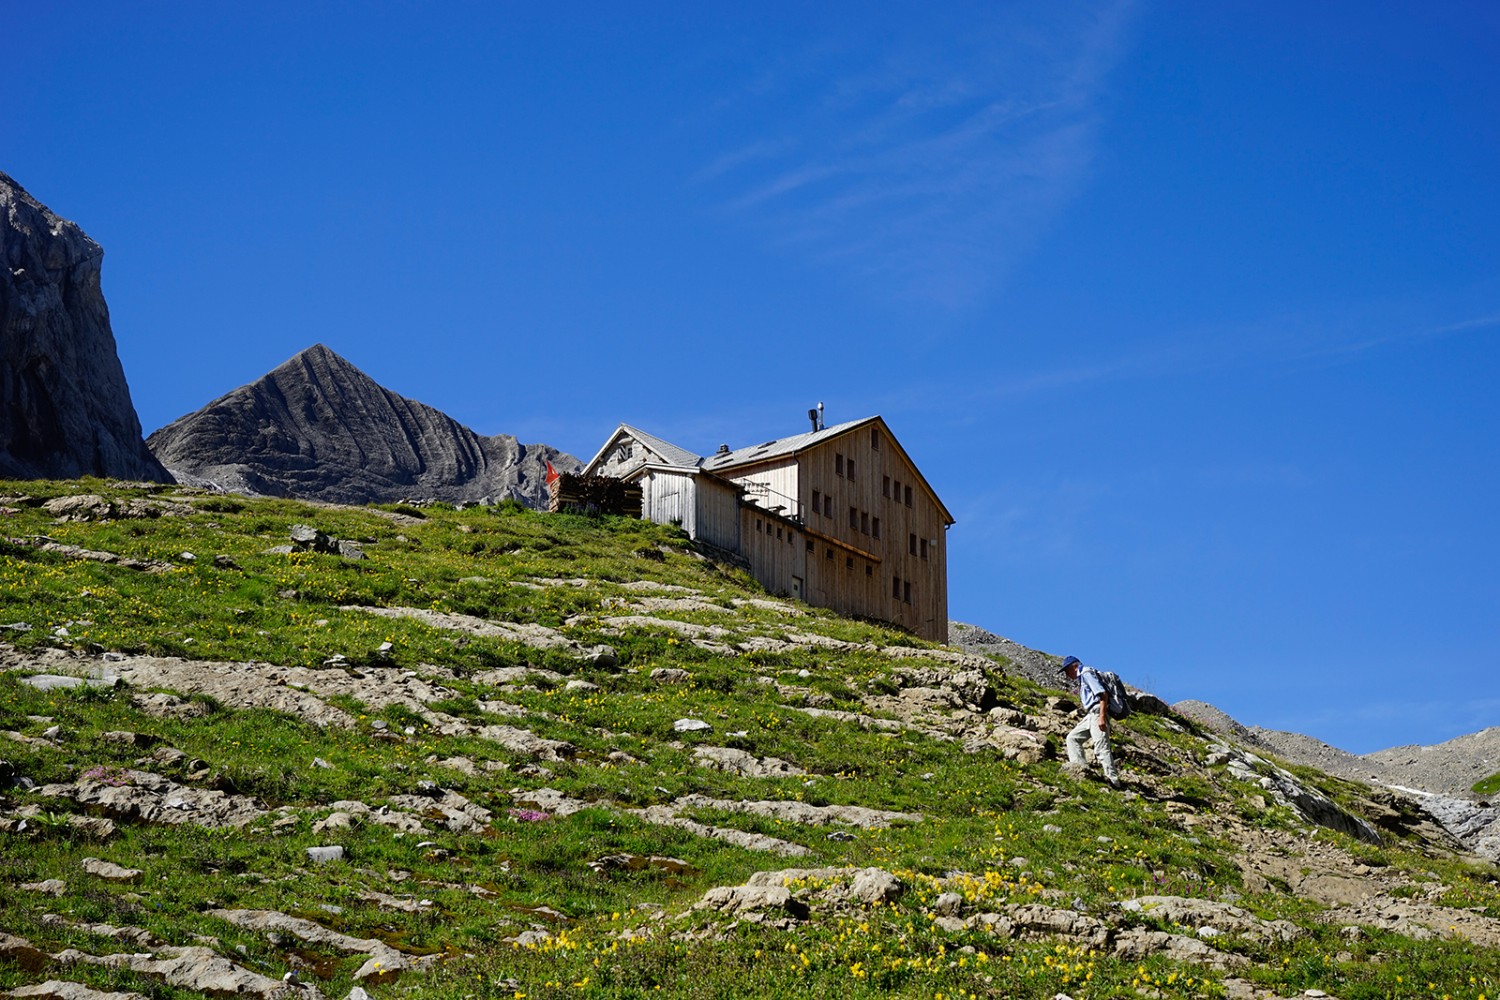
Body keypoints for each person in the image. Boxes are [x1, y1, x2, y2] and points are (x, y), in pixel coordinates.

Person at [1062, 655, 1121, 787]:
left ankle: (1114, 781)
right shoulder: (1082, 676)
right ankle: (1080, 769)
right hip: (1091, 714)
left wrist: (1101, 717)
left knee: (1101, 747)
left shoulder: (1086, 673)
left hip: (1097, 712)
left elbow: (1103, 694)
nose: (1067, 674)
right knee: (1072, 738)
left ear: (1074, 666)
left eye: (1067, 670)